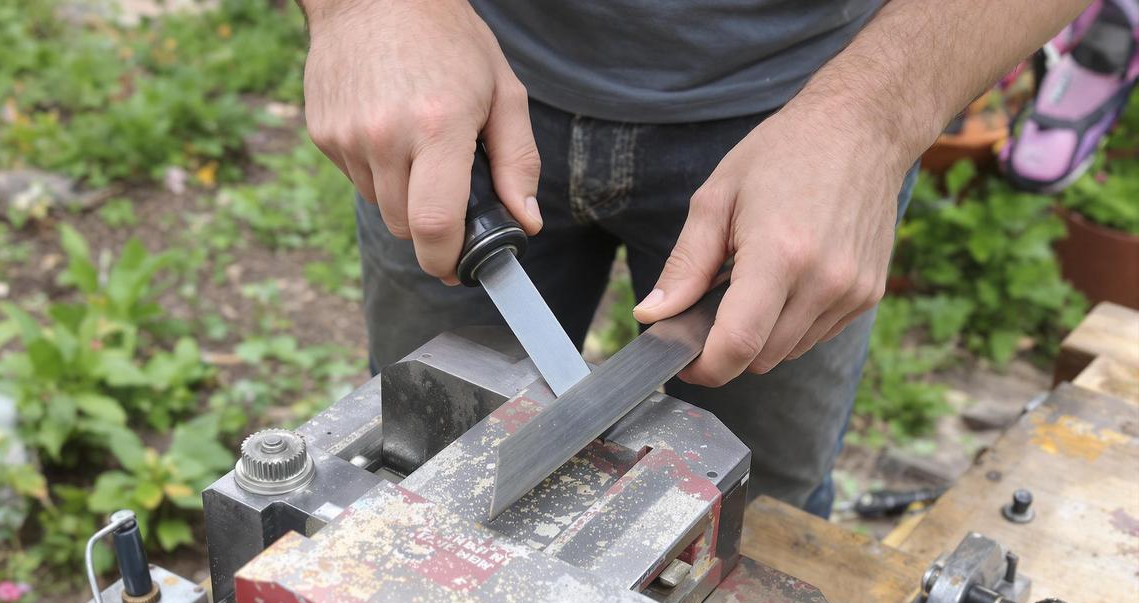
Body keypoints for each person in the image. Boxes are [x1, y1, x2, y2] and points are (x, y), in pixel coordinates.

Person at [299, 0, 1089, 516]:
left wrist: (875, 121)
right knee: (425, 471)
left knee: (754, 512)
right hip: (451, 89)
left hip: (808, 123)